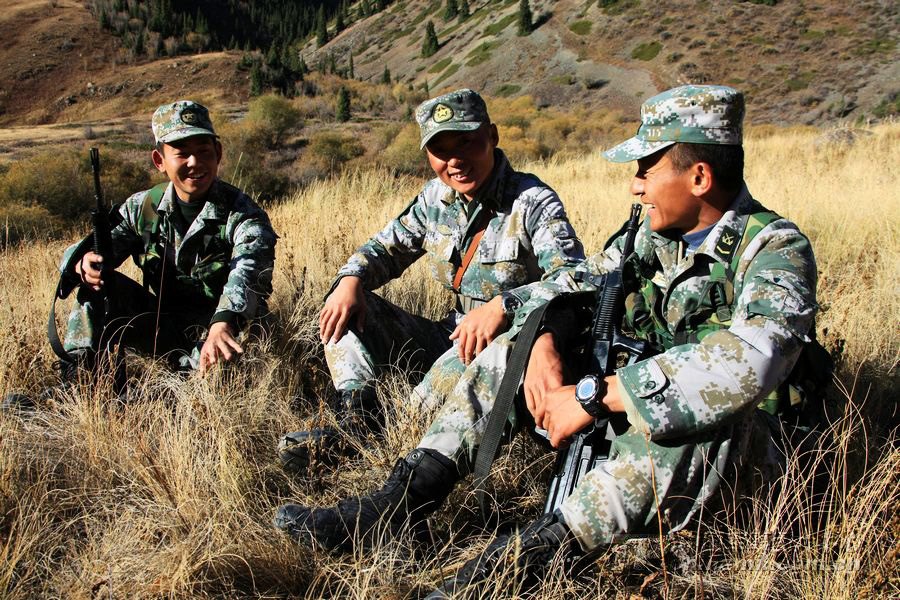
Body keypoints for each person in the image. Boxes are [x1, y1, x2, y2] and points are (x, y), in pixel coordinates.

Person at [273, 85, 820, 596]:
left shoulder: (774, 248)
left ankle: (520, 563)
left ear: (698, 177)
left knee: (700, 419)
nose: (635, 185)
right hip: (634, 423)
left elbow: (749, 362)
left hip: (740, 456)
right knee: (512, 348)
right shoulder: (649, 237)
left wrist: (595, 395)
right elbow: (579, 279)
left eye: (646, 170)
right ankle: (399, 505)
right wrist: (542, 340)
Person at [277, 88, 584, 471]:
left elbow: (575, 277)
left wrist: (505, 305)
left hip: (504, 345)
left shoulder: (532, 201)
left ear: (492, 136)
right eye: (440, 150)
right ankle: (356, 417)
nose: (455, 160)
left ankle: (382, 441)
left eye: (466, 142)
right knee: (343, 309)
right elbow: (385, 248)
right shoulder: (435, 199)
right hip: (451, 332)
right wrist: (351, 279)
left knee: (420, 406)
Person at [54, 100, 277, 383]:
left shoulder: (244, 214)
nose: (195, 162)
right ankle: (78, 379)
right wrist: (82, 263)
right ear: (159, 161)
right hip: (165, 327)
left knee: (225, 370)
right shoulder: (142, 208)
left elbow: (249, 272)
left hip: (228, 328)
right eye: (182, 153)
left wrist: (223, 323)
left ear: (218, 153)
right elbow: (86, 252)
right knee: (98, 287)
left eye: (204, 151)